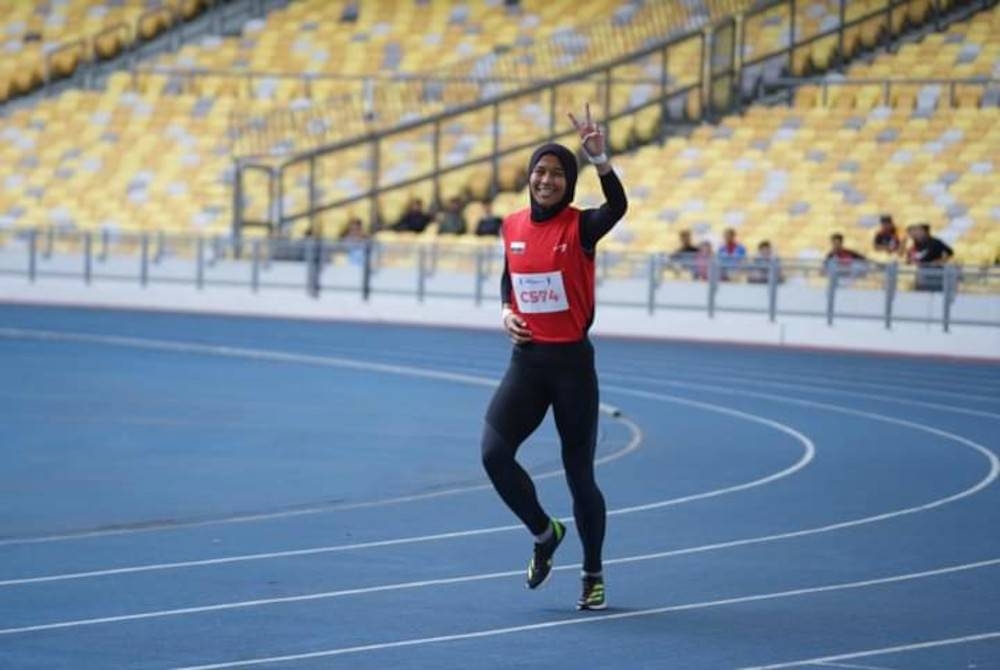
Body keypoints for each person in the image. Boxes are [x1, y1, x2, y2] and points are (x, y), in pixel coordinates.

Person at [481, 103, 626, 612]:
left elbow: (619, 208)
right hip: (527, 362)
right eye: (539, 172)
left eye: (556, 174)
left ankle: (592, 572)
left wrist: (600, 159)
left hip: (571, 370)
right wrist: (504, 311)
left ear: (568, 183)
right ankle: (545, 534)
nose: (546, 180)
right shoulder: (513, 223)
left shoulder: (582, 226)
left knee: (578, 475)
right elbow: (510, 273)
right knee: (493, 455)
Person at [907, 223, 954, 291]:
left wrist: (940, 261)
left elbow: (950, 252)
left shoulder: (936, 242)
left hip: (936, 273)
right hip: (922, 272)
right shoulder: (917, 244)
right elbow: (913, 257)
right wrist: (912, 261)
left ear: (925, 232)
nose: (917, 233)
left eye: (919, 231)